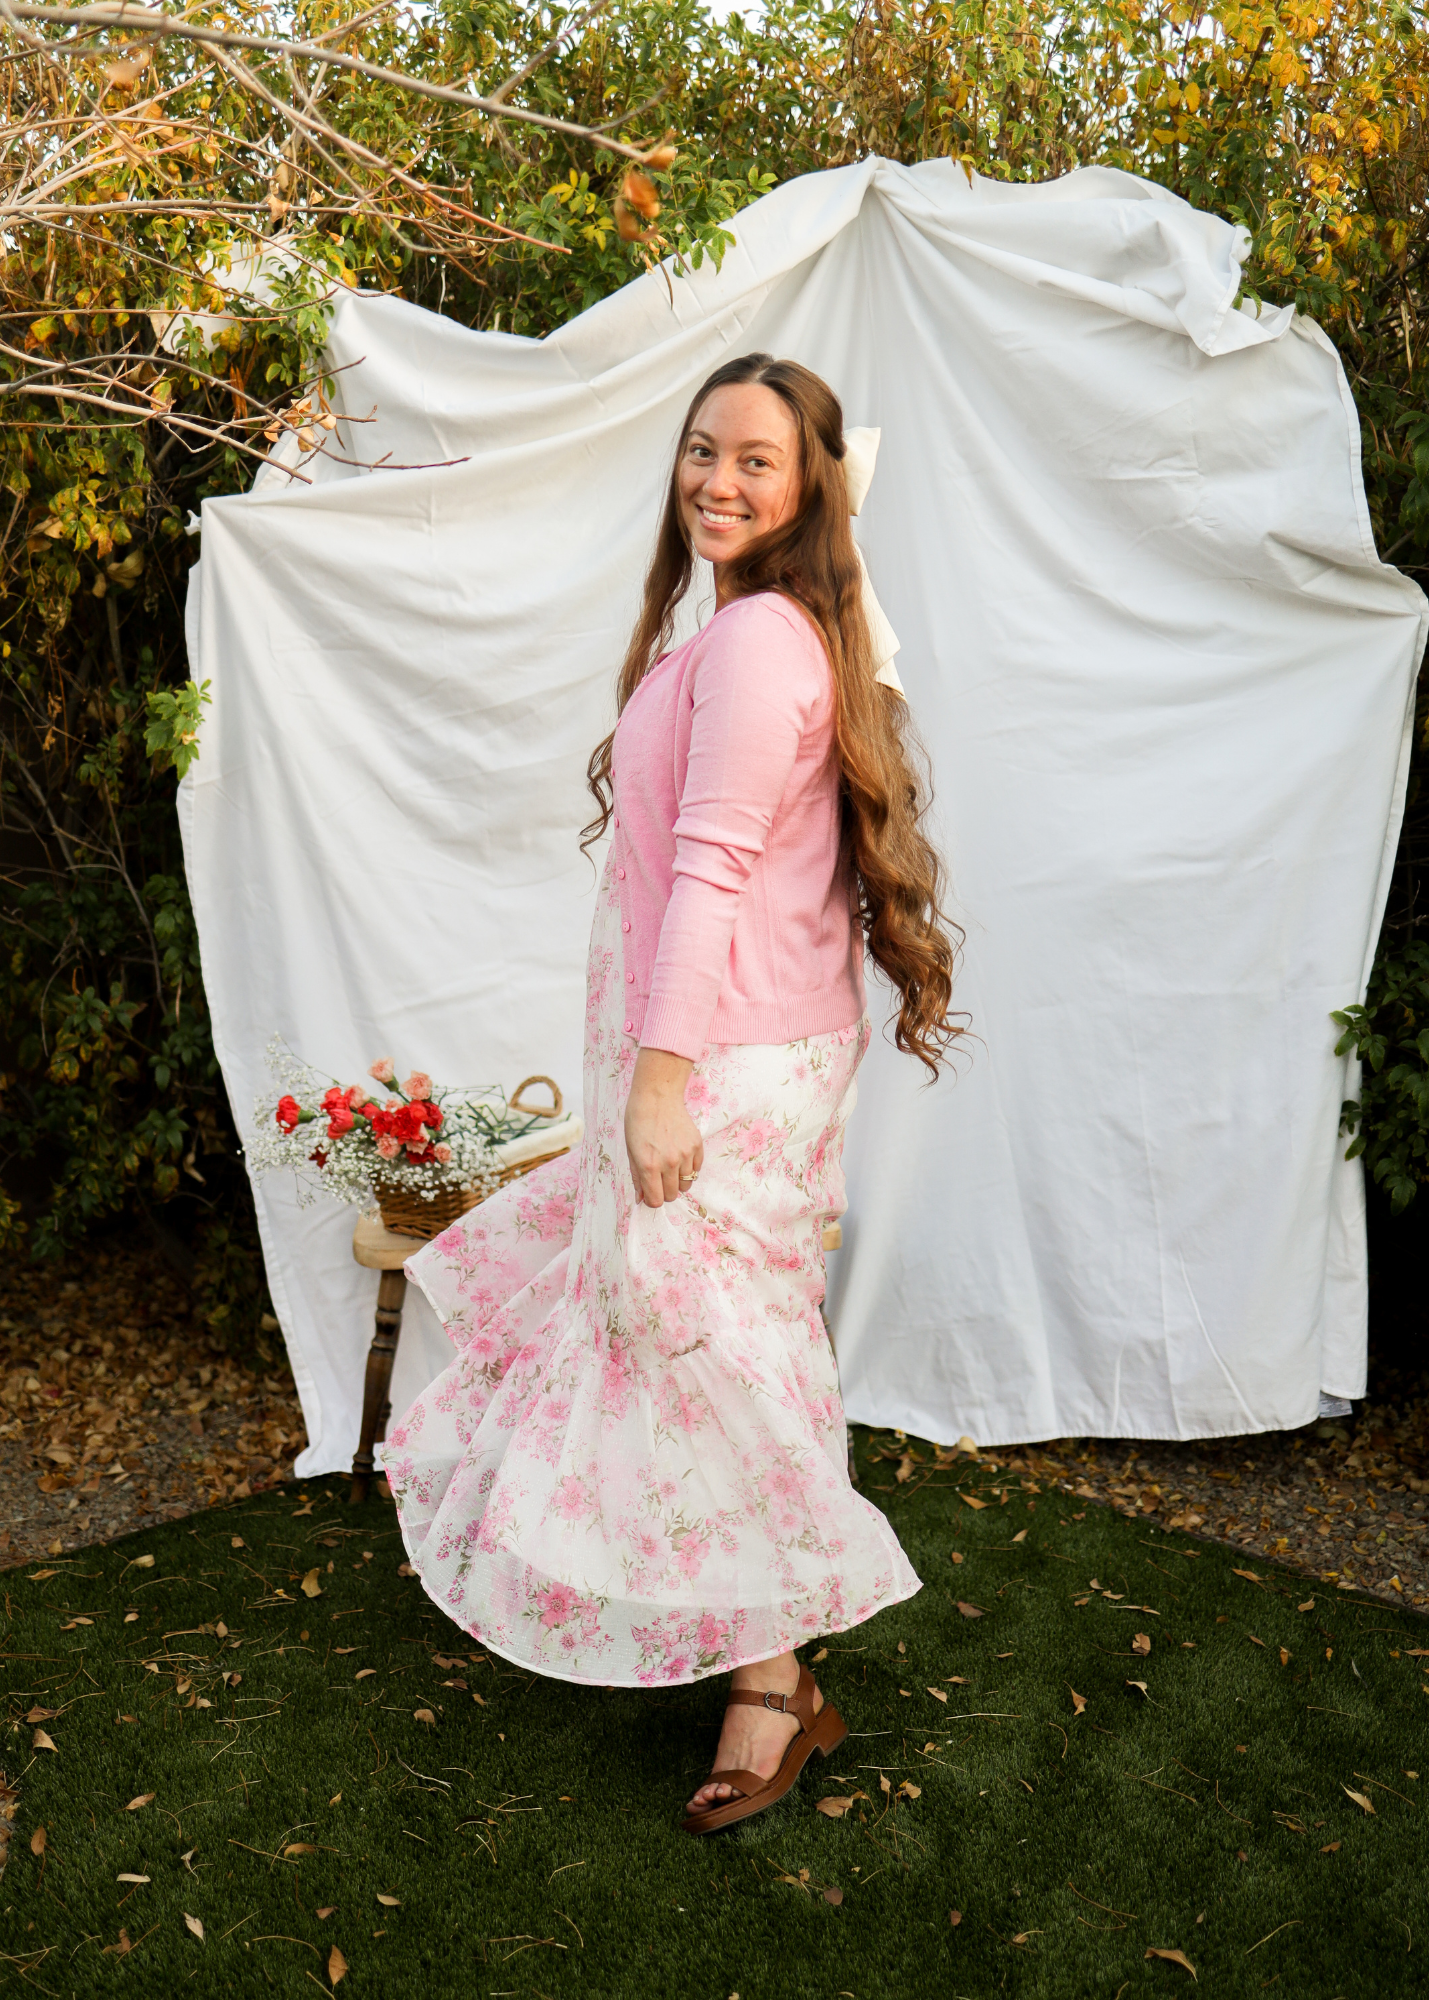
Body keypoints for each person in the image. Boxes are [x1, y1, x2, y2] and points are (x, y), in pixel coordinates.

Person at [382, 353, 962, 1834]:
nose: (718, 478)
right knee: (693, 1329)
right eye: (704, 449)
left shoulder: (763, 642)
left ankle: (772, 1678)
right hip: (716, 1038)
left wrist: (659, 1081)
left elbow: (709, 869)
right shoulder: (739, 627)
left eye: (757, 459)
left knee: (700, 1338)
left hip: (724, 1058)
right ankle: (765, 1656)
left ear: (812, 486)